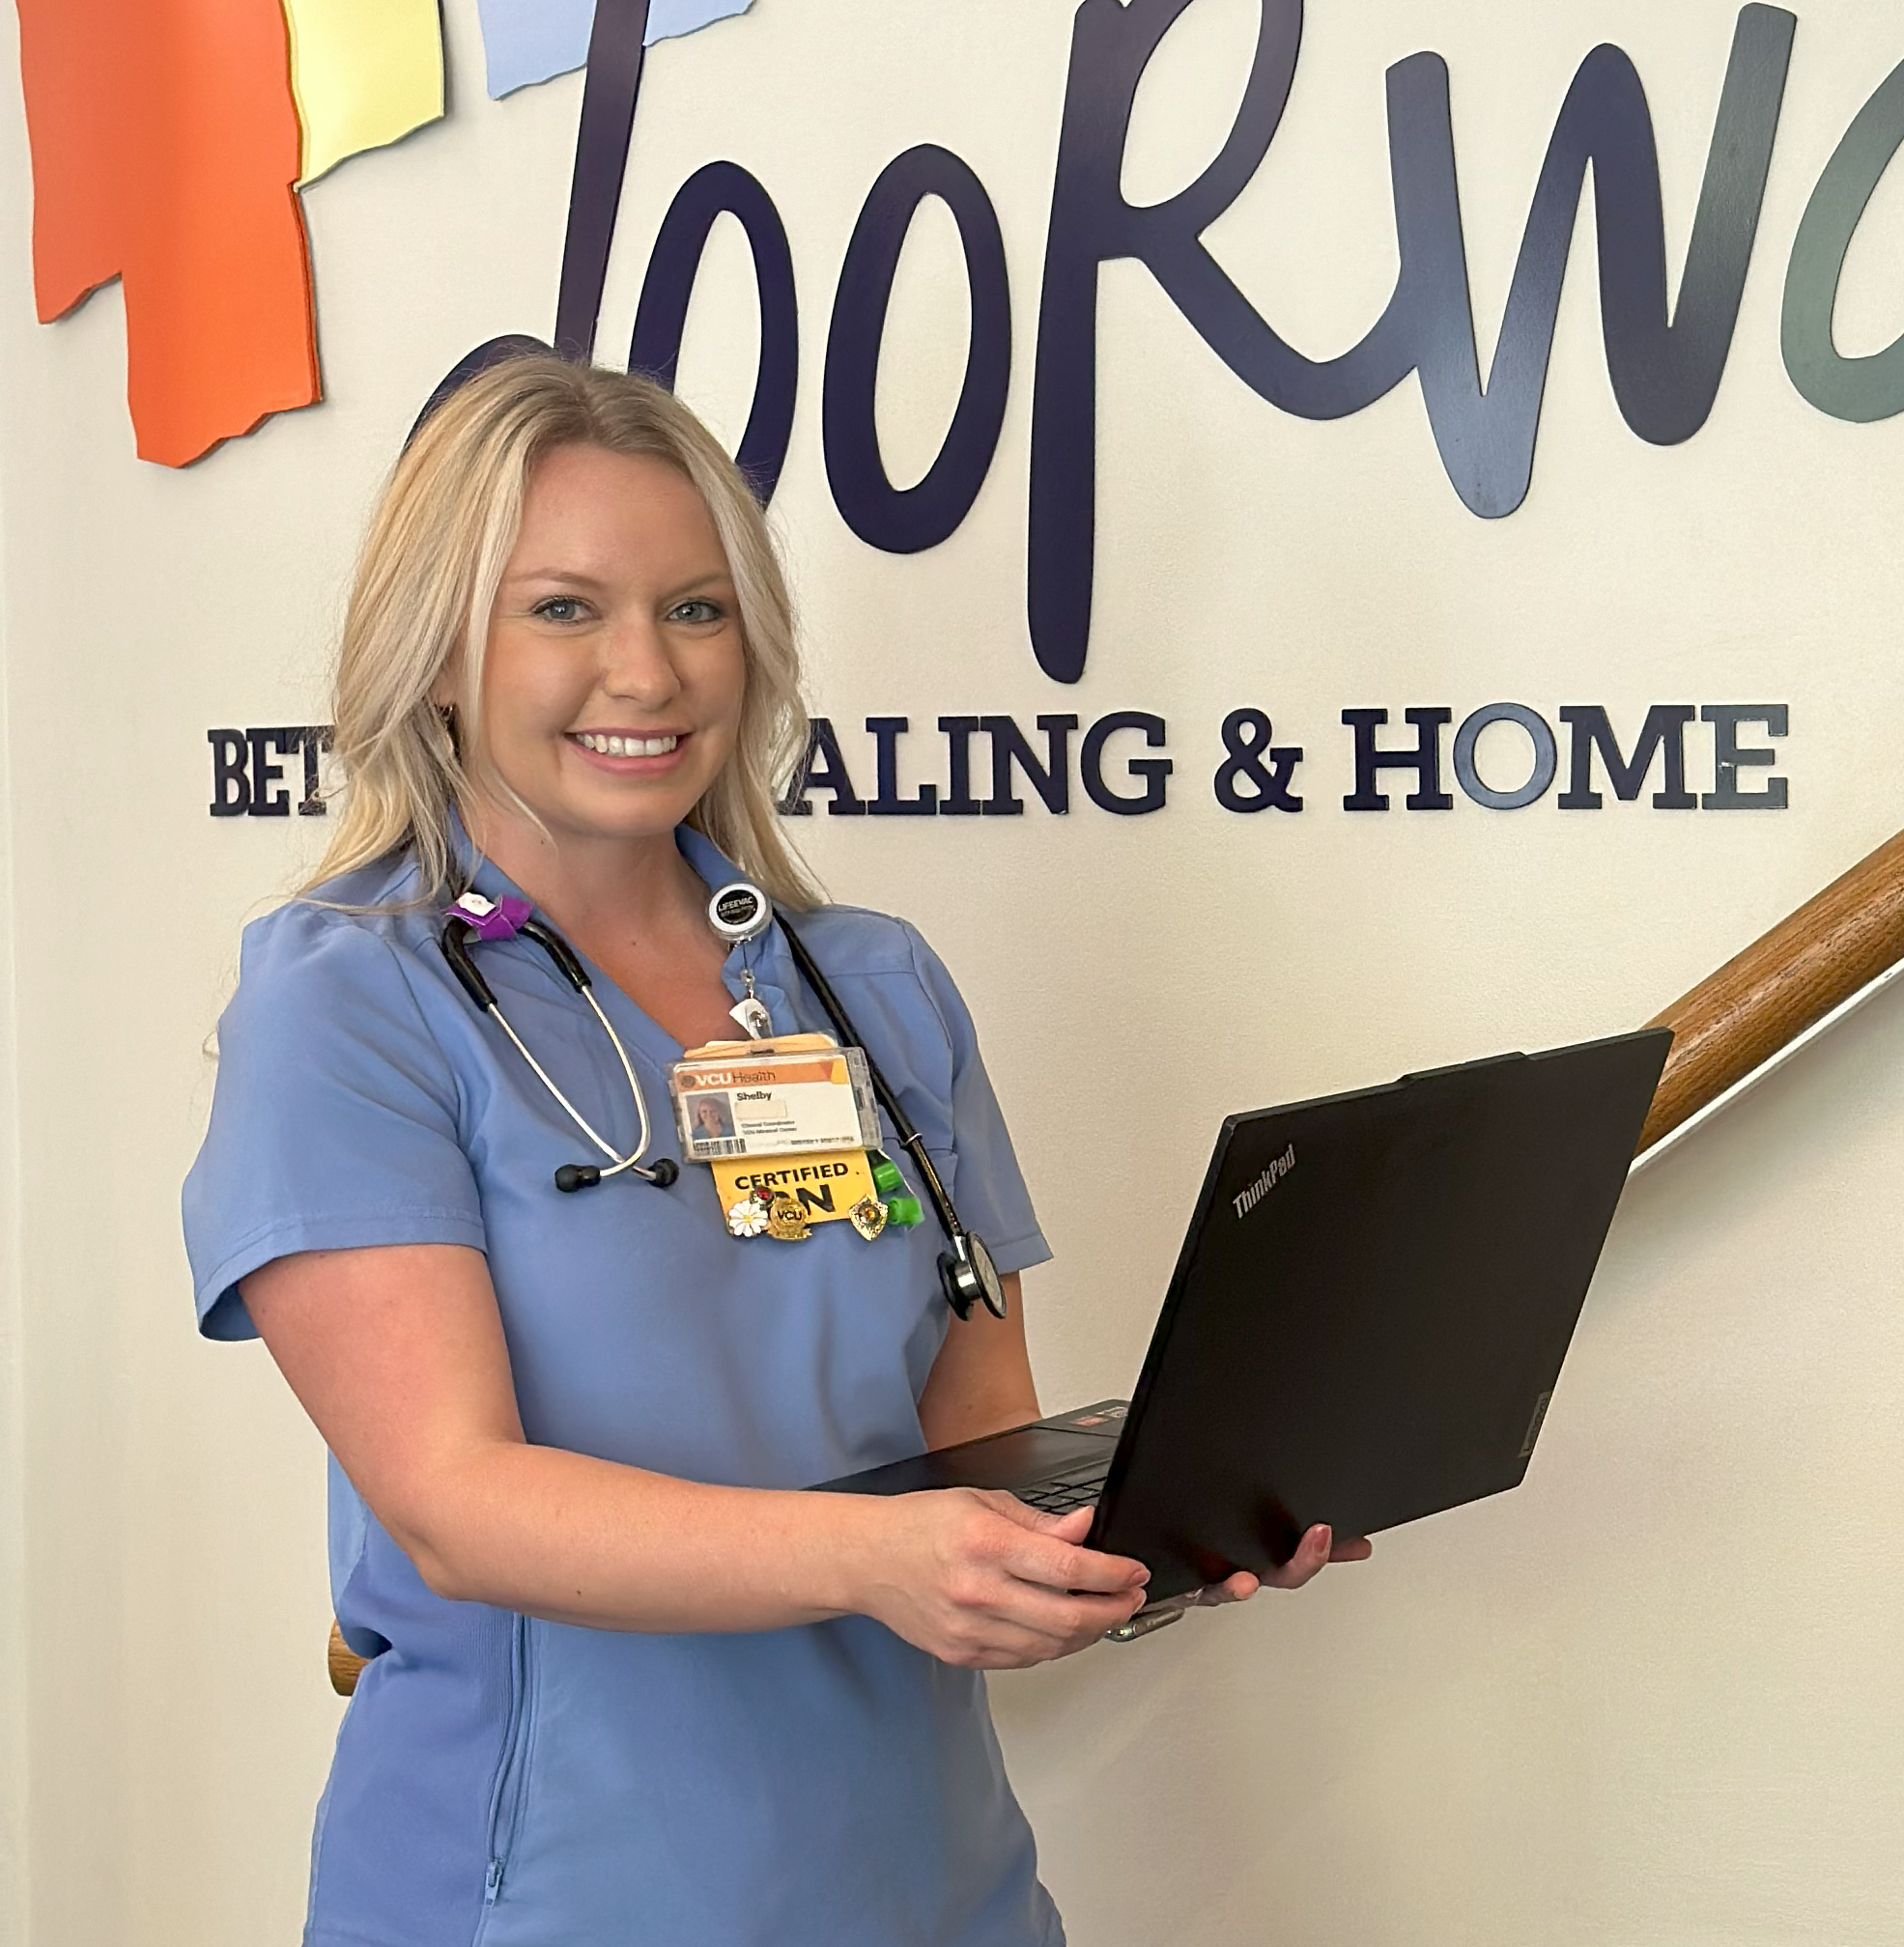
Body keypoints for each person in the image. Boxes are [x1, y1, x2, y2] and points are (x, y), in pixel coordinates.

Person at [181, 354, 1364, 1946]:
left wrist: (1164, 1538)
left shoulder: (870, 988)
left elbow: (976, 1469)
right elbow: (456, 1503)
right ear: (439, 652)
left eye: (694, 608)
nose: (646, 673)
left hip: (931, 1892)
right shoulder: (349, 1005)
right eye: (561, 610)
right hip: (552, 1898)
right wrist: (876, 1557)